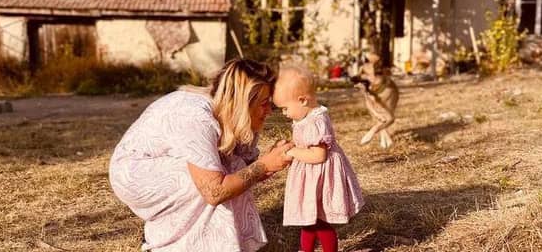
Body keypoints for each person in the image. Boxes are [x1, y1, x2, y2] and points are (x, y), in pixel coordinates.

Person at [109, 58, 294, 252]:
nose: (269, 111)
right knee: (209, 180)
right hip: (135, 173)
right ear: (242, 102)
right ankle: (175, 245)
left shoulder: (235, 116)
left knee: (232, 168)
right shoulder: (196, 117)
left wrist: (272, 160)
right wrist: (264, 165)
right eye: (264, 104)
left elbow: (246, 170)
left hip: (165, 164)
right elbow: (215, 192)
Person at [273, 64, 364, 252]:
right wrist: (291, 144)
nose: (284, 114)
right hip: (311, 177)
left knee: (319, 221)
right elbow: (305, 143)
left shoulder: (317, 121)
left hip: (321, 179)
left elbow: (318, 155)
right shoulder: (304, 118)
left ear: (302, 100)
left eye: (285, 108)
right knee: (308, 219)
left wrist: (292, 153)